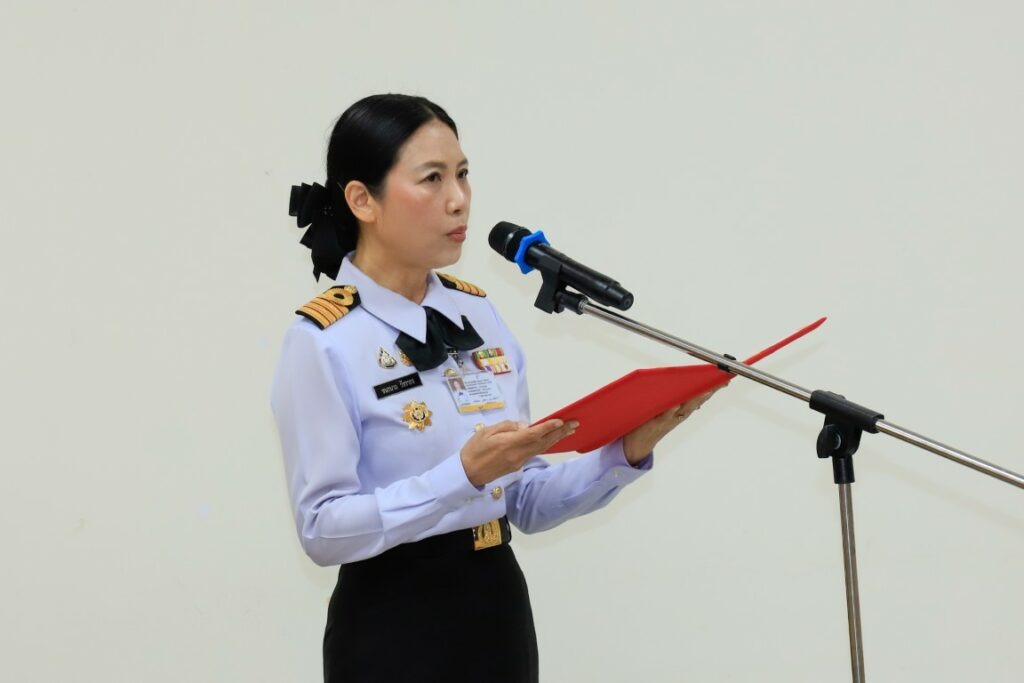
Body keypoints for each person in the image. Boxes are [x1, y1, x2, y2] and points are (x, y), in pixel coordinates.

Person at [270, 94, 715, 683]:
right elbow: (322, 530)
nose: (458, 198)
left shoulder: (478, 315)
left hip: (496, 607)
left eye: (462, 174)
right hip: (393, 620)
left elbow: (523, 499)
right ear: (362, 200)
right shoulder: (324, 340)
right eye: (432, 178)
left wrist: (626, 451)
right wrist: (463, 474)